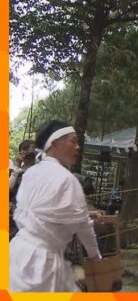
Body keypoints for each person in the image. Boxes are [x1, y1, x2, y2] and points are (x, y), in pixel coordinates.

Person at [10, 120, 102, 292]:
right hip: (43, 264)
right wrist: (96, 256)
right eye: (73, 141)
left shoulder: (31, 173)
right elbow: (84, 229)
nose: (77, 147)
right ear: (54, 144)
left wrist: (86, 215)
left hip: (17, 252)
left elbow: (45, 214)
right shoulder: (67, 180)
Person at [9, 140, 36, 239]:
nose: (27, 153)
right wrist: (17, 167)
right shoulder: (16, 168)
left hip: (29, 215)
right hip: (13, 212)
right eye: (24, 150)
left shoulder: (40, 169)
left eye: (31, 149)